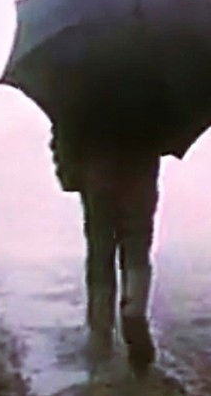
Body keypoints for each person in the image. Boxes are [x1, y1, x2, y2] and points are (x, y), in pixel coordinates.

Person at [50, 109, 159, 363]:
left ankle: (100, 326)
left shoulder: (80, 95)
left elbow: (63, 133)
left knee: (100, 250)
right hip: (140, 171)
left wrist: (67, 172)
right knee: (137, 246)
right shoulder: (151, 93)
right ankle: (134, 310)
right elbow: (166, 133)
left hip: (96, 174)